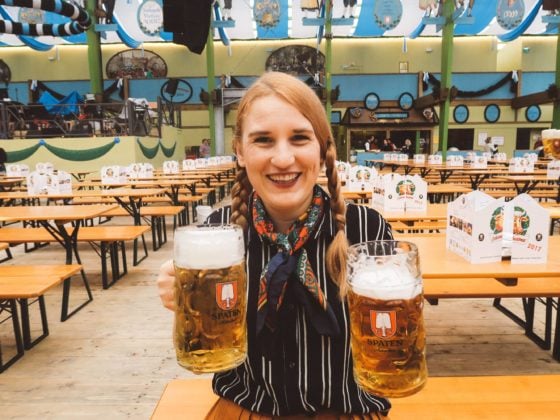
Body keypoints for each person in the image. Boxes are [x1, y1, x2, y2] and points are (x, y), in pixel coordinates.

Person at [157, 72, 393, 418]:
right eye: (263, 140)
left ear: (323, 147)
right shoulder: (217, 238)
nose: (283, 159)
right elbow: (208, 351)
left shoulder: (366, 229)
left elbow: (389, 349)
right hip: (247, 411)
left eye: (299, 138)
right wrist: (182, 302)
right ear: (239, 151)